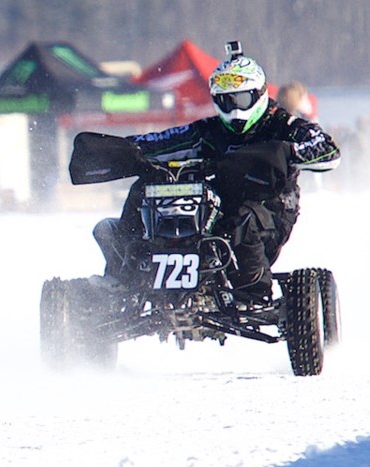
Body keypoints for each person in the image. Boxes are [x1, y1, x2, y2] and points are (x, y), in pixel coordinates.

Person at [90, 42, 340, 300]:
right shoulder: (208, 130)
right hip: (213, 208)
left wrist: (287, 154)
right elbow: (159, 142)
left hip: (269, 209)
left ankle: (252, 292)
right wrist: (119, 151)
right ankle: (126, 276)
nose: (234, 111)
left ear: (259, 94)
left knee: (239, 217)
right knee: (147, 189)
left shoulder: (283, 125)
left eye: (241, 100)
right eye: (225, 101)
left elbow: (329, 150)